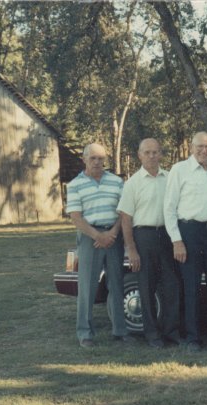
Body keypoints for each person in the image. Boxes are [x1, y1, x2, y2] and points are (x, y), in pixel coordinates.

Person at [163, 131, 207, 352]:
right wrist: (177, 241)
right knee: (190, 286)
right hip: (188, 232)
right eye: (199, 146)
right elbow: (169, 208)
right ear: (191, 147)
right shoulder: (179, 171)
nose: (203, 150)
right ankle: (192, 337)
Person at [117, 138, 181, 348]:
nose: (152, 156)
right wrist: (131, 249)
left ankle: (171, 332)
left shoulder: (171, 178)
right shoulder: (132, 183)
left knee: (171, 285)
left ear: (160, 154)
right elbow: (126, 218)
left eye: (155, 152)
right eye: (147, 152)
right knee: (146, 286)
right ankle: (152, 334)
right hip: (144, 237)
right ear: (140, 155)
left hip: (168, 235)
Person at [66, 143, 131, 347]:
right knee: (87, 286)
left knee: (117, 284)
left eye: (100, 158)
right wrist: (97, 236)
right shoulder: (75, 185)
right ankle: (85, 333)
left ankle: (120, 331)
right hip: (89, 237)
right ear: (84, 159)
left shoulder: (116, 182)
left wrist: (112, 233)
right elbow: (76, 218)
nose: (97, 162)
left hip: (113, 236)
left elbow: (124, 211)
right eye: (92, 158)